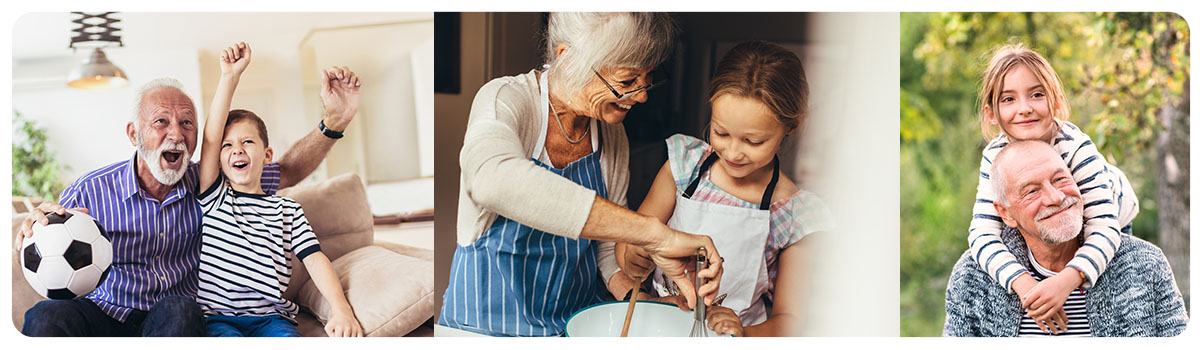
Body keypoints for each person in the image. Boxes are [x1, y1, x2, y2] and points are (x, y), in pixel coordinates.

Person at [17, 46, 363, 337]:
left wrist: (335, 121)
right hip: (106, 312)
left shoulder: (209, 184)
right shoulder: (90, 189)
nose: (176, 134)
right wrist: (37, 223)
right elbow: (48, 231)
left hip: (173, 318)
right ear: (133, 134)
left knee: (182, 310)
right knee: (46, 315)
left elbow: (287, 170)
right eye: (161, 122)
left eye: (186, 123)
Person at [440, 12, 723, 337]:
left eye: (648, 79)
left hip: (574, 327)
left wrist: (638, 299)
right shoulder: (507, 100)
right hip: (482, 330)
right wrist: (653, 233)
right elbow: (491, 179)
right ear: (568, 58)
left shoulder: (611, 136)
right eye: (628, 81)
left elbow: (604, 249)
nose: (643, 95)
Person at [618, 41, 834, 337]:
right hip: (659, 330)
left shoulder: (795, 213)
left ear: (792, 125)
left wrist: (743, 332)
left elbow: (790, 322)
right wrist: (632, 256)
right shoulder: (685, 165)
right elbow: (630, 243)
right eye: (721, 132)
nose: (732, 152)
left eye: (753, 141)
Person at [193, 42, 363, 337]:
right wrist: (229, 77)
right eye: (227, 146)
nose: (237, 151)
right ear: (218, 159)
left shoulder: (287, 210)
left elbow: (314, 259)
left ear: (267, 155)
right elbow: (209, 139)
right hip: (217, 319)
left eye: (247, 142)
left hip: (272, 319)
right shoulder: (214, 198)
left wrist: (341, 309)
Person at [966, 43, 1138, 332]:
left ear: (1056, 101)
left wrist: (1066, 281)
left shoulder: (1074, 146)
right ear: (992, 113)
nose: (1025, 109)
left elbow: (1104, 226)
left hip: (1110, 217)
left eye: (1036, 94)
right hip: (1046, 231)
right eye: (1009, 99)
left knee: (1104, 292)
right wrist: (1025, 284)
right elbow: (982, 234)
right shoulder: (995, 157)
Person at [944, 140, 1187, 337]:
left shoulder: (1145, 264)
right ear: (1006, 214)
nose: (1055, 197)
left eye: (1060, 179)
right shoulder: (971, 278)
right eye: (1031, 191)